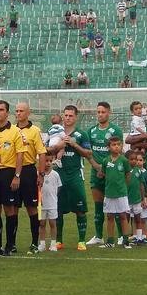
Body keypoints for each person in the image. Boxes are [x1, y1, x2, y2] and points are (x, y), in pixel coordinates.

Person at [48, 105, 101, 251]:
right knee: (57, 210)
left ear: (76, 117)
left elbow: (88, 153)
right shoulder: (55, 131)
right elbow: (46, 150)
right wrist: (58, 146)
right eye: (65, 115)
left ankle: (81, 241)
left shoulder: (81, 134)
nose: (67, 118)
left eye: (71, 115)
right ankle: (59, 241)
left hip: (75, 176)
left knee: (80, 209)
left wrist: (74, 144)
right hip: (58, 175)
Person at [0, 100, 24, 257]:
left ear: (7, 113)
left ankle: (11, 244)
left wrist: (17, 176)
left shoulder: (16, 131)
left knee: (10, 209)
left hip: (9, 173)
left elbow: (20, 155)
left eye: (1, 109)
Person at [86, 102, 124, 247]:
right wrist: (97, 167)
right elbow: (88, 152)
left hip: (112, 174)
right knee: (98, 206)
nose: (100, 114)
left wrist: (107, 169)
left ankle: (121, 236)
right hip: (96, 173)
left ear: (109, 113)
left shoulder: (116, 131)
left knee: (116, 206)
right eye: (98, 112)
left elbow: (118, 152)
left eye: (103, 112)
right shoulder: (91, 131)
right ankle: (98, 236)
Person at [13, 103, 47, 253]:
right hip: (11, 172)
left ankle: (35, 243)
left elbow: (42, 153)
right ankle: (11, 244)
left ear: (28, 113)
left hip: (28, 171)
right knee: (12, 208)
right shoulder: (12, 130)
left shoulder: (35, 131)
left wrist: (40, 174)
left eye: (21, 111)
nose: (18, 113)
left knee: (32, 208)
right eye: (17, 111)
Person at [36, 154, 61, 252]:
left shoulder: (55, 174)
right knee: (42, 224)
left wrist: (54, 197)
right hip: (41, 204)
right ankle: (42, 244)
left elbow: (58, 187)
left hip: (52, 204)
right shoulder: (38, 173)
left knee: (52, 223)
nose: (48, 163)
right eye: (46, 161)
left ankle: (53, 244)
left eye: (50, 161)